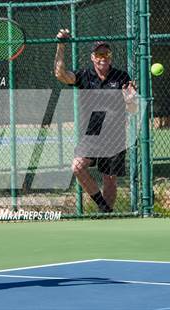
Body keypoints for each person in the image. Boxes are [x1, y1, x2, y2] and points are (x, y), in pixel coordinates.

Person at [54, 29, 137, 213]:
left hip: (115, 136)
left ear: (110, 57)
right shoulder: (85, 76)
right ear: (92, 57)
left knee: (109, 179)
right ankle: (102, 205)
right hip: (92, 135)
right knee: (77, 167)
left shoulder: (122, 77)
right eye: (99, 54)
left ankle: (105, 215)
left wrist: (131, 99)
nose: (103, 58)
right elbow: (60, 74)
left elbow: (133, 109)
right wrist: (60, 45)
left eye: (106, 54)